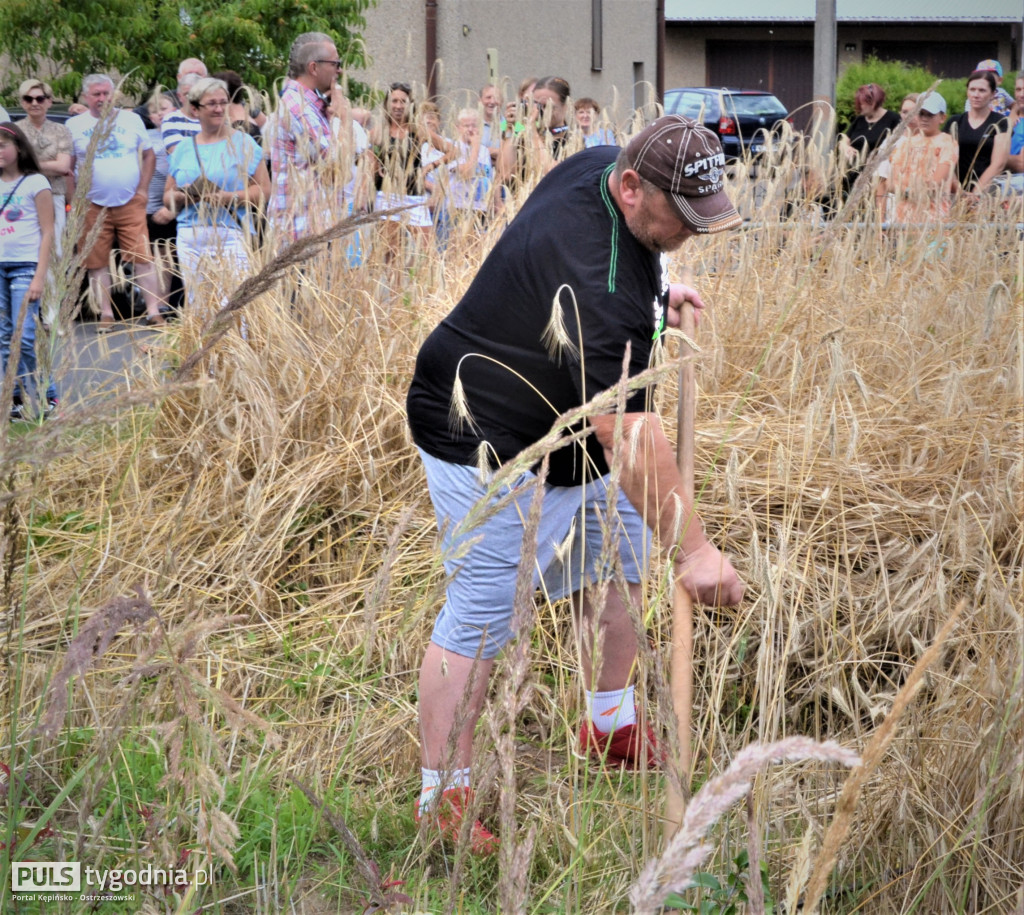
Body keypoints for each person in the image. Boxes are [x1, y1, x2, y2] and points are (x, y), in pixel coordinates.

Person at [406, 114, 745, 853]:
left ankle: (608, 726)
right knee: (483, 614)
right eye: (678, 219)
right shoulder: (604, 283)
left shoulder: (604, 167)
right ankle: (442, 802)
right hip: (484, 435)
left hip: (568, 424)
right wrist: (693, 549)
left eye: (699, 217)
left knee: (616, 568)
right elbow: (625, 433)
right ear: (629, 186)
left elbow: (611, 276)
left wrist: (658, 297)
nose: (688, 230)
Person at [67, 73, 166, 330]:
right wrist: (74, 202)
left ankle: (153, 311)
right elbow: (69, 168)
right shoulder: (75, 125)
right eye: (96, 94)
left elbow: (149, 156)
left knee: (142, 258)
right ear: (86, 97)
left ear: (114, 94)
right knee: (96, 262)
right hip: (91, 203)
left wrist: (143, 190)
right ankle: (107, 315)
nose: (102, 98)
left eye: (106, 93)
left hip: (130, 201)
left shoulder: (131, 120)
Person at [163, 77, 269, 312]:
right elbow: (167, 196)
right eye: (211, 103)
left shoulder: (244, 143)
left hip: (229, 233)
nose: (219, 109)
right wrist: (182, 196)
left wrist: (229, 197)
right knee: (197, 305)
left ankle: (232, 349)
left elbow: (263, 190)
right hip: (190, 234)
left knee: (231, 306)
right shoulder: (183, 148)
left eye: (223, 102)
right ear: (195, 109)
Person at [0, 122, 57, 419]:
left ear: (18, 148)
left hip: (26, 265)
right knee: (4, 335)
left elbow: (48, 232)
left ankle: (47, 395)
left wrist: (39, 277)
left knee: (25, 335)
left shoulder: (36, 183)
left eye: (2, 145)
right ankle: (13, 398)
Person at [267, 30, 340, 244]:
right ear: (314, 67)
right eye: (335, 63)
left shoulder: (309, 106)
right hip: (299, 234)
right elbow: (337, 168)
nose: (340, 70)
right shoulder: (299, 108)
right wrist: (343, 118)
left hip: (307, 229)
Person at [369, 82, 446, 257]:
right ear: (387, 103)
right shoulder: (380, 131)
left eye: (403, 101)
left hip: (414, 198)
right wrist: (373, 162)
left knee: (429, 254)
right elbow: (359, 151)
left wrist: (429, 167)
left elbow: (452, 151)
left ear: (410, 104)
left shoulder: (418, 130)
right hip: (388, 198)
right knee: (392, 255)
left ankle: (430, 285)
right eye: (394, 101)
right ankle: (395, 286)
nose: (398, 106)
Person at [880, 92, 957, 224]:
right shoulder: (905, 143)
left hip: (934, 221)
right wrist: (911, 191)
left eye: (930, 114)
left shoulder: (947, 142)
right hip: (903, 220)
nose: (924, 118)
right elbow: (890, 183)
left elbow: (935, 183)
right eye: (921, 113)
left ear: (943, 118)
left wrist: (905, 190)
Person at [499, 75, 576, 183]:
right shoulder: (525, 134)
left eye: (547, 106)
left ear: (566, 106)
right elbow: (506, 174)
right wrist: (512, 130)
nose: (541, 112)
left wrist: (533, 132)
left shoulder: (573, 141)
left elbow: (552, 176)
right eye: (537, 105)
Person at [944, 70, 1010, 194]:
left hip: (986, 192)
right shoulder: (955, 122)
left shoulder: (1001, 122)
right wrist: (958, 191)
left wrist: (976, 192)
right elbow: (945, 158)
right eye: (972, 89)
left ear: (993, 94)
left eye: (982, 90)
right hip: (955, 191)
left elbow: (998, 163)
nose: (976, 94)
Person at [146, 91, 183, 312]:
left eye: (164, 108)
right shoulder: (147, 136)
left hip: (174, 203)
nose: (159, 113)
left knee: (172, 254)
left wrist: (171, 205)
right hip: (149, 205)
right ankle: (157, 303)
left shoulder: (180, 138)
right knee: (157, 255)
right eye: (154, 110)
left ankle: (172, 302)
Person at [445, 108, 500, 237]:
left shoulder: (484, 151)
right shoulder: (453, 148)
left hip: (481, 207)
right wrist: (475, 147)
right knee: (459, 247)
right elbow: (466, 173)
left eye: (474, 125)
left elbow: (489, 176)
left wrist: (496, 202)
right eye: (466, 126)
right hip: (459, 207)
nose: (470, 130)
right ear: (458, 128)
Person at [478, 84, 503, 164]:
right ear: (480, 100)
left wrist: (484, 151)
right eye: (488, 97)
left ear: (502, 102)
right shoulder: (472, 125)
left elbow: (517, 154)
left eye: (496, 98)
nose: (492, 102)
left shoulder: (512, 126)